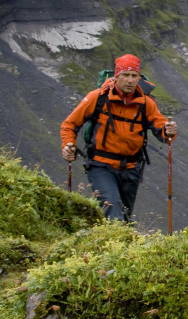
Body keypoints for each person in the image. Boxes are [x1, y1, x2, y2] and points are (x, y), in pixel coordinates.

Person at [61, 54, 177, 221]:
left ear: (139, 77)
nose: (130, 80)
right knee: (112, 208)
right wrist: (68, 144)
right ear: (116, 76)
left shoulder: (146, 103)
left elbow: (162, 130)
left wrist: (169, 131)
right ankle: (118, 243)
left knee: (124, 214)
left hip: (131, 168)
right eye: (125, 75)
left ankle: (111, 243)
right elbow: (69, 124)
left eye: (134, 76)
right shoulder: (97, 97)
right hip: (100, 165)